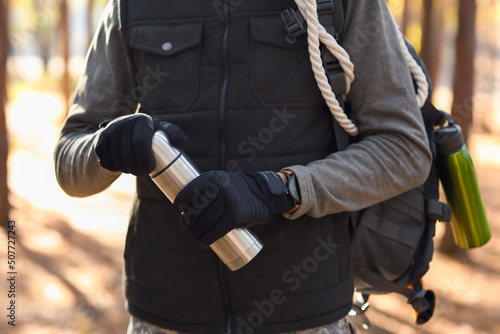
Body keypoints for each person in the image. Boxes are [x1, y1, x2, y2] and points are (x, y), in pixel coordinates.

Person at [54, 0, 432, 333]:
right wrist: (104, 148)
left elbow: (403, 149)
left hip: (306, 312)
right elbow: (70, 163)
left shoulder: (340, 4)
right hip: (163, 312)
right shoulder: (131, 6)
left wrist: (280, 190)